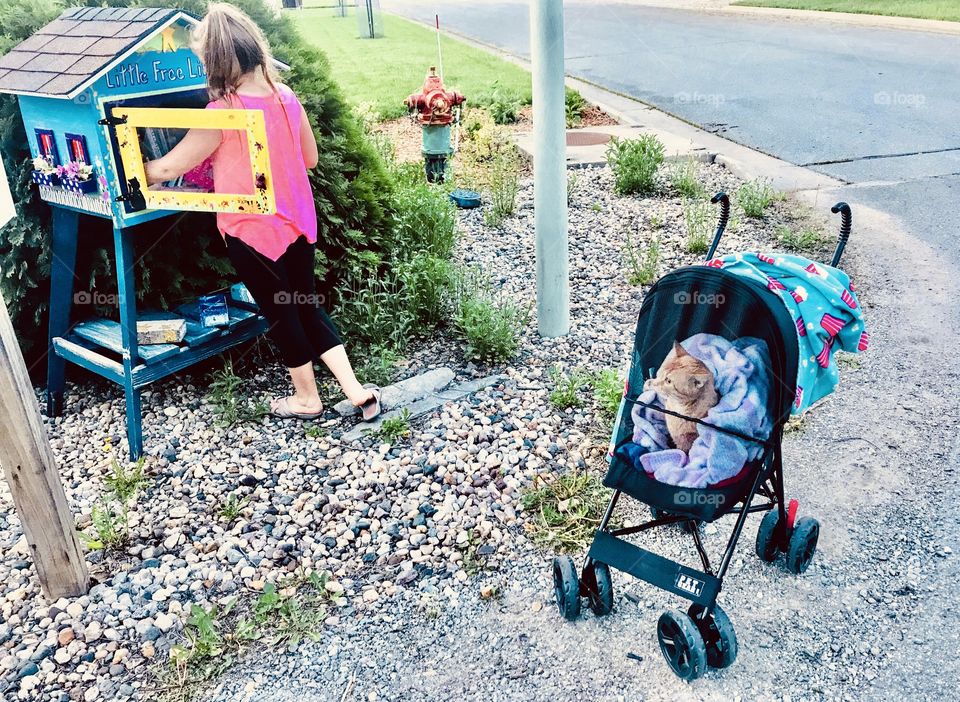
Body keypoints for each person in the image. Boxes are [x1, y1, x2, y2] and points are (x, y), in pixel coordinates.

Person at [145, 3, 380, 421]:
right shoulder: (285, 96)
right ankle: (356, 389)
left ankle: (307, 398)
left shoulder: (223, 113)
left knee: (279, 310)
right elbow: (310, 158)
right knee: (304, 301)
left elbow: (169, 167)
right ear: (255, 49)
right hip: (298, 222)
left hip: (252, 232)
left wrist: (129, 170)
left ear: (214, 63)